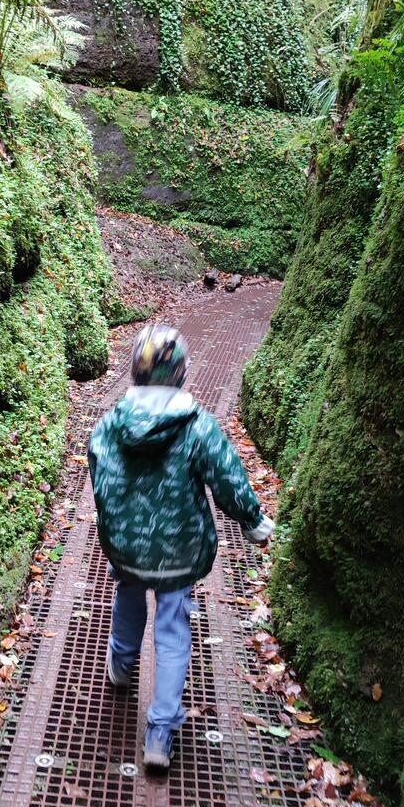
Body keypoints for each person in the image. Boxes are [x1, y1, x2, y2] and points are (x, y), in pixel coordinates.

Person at [88, 324, 275, 771]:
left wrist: (116, 528)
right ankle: (159, 732)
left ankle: (120, 663)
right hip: (178, 552)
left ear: (134, 369)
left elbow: (99, 474)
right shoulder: (195, 425)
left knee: (128, 593)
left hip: (129, 549)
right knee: (172, 631)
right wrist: (253, 520)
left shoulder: (111, 425)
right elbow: (227, 475)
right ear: (180, 373)